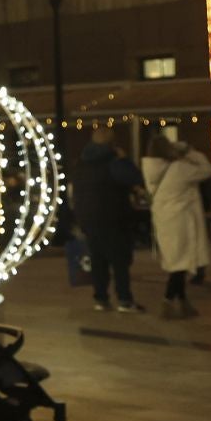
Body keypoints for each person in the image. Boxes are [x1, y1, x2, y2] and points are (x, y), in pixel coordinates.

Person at [71, 126, 145, 313]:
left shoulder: (81, 162)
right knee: (120, 260)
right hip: (113, 216)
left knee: (98, 259)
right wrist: (124, 159)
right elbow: (134, 178)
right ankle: (124, 299)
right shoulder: (114, 161)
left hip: (88, 217)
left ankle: (101, 298)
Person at [142, 137, 211, 319]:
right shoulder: (179, 169)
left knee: (177, 261)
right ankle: (167, 300)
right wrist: (190, 152)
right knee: (180, 263)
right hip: (181, 221)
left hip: (164, 220)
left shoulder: (150, 169)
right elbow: (206, 170)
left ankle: (182, 301)